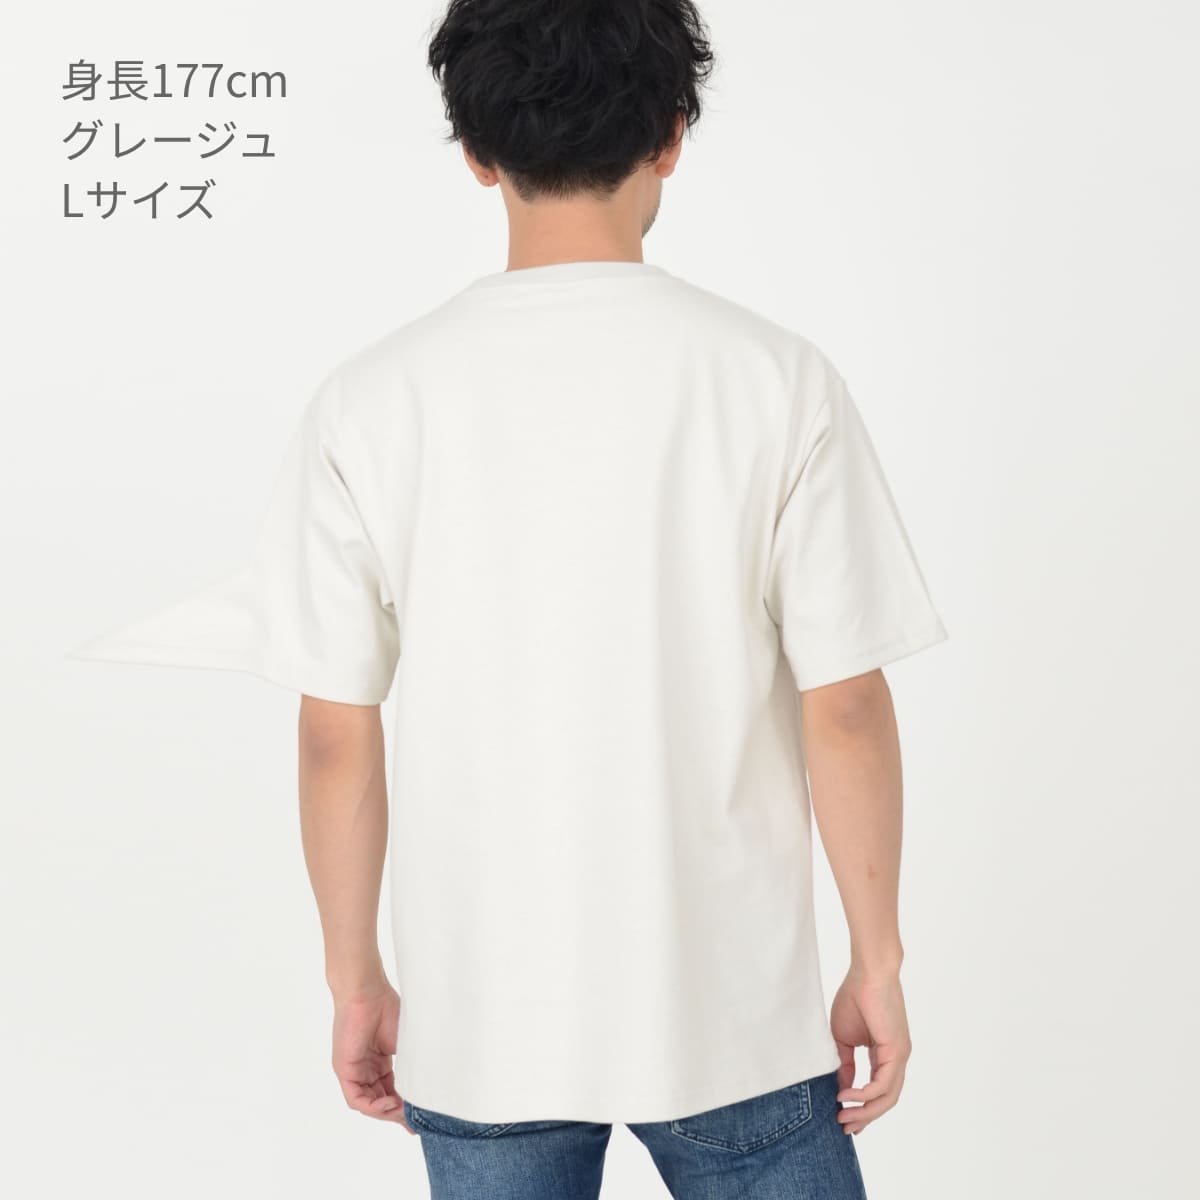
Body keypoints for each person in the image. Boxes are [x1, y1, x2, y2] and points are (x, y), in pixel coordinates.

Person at [68, 1, 949, 1196]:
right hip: (736, 1016)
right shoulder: (775, 380)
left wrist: (355, 978)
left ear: (477, 151)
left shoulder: (373, 399)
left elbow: (337, 731)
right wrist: (877, 959)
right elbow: (842, 702)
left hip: (483, 1022)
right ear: (672, 133)